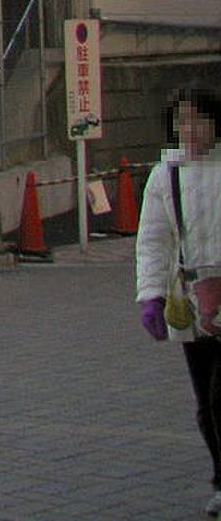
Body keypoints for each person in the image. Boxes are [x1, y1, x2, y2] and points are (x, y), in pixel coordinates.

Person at [136, 84, 221, 518]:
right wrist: (149, 295)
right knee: (206, 401)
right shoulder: (164, 175)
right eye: (181, 121)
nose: (189, 129)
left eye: (199, 120)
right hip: (190, 299)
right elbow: (153, 240)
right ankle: (220, 478)